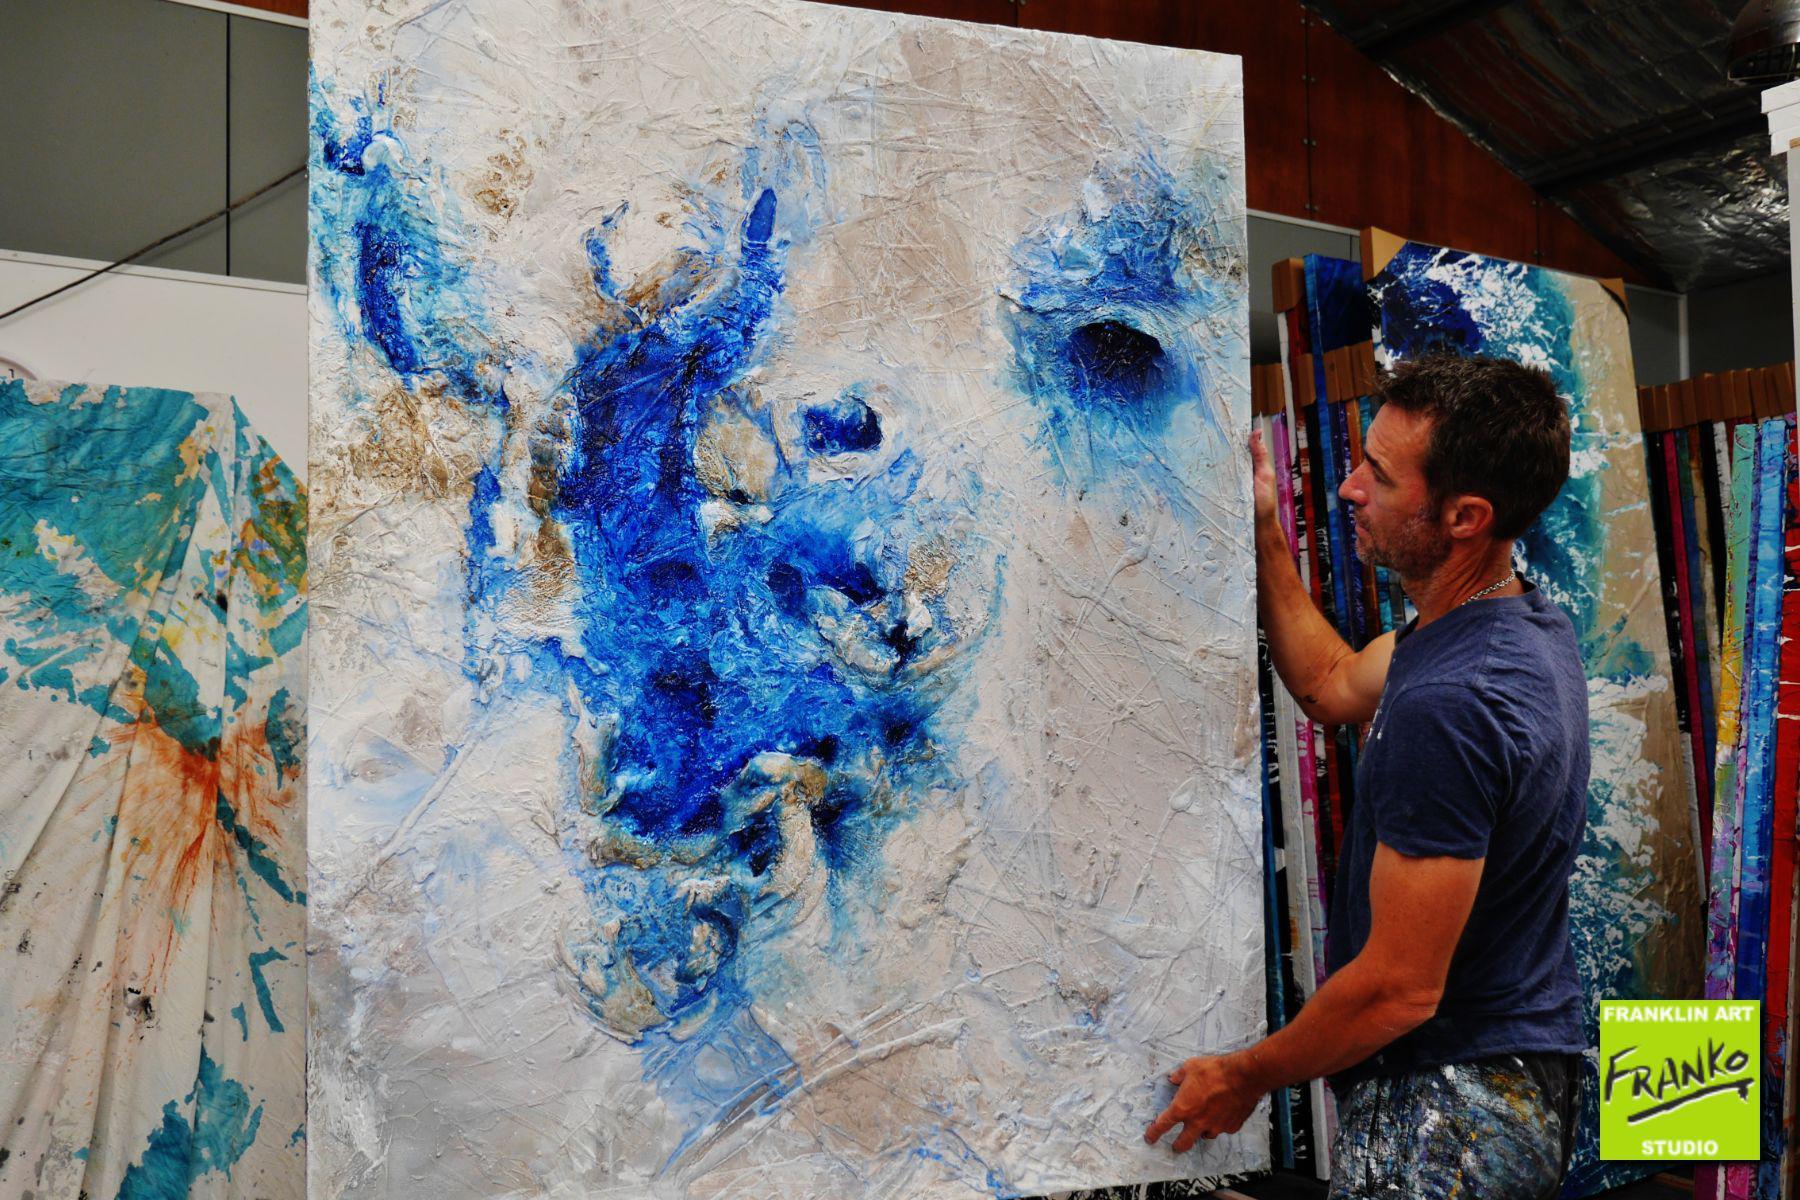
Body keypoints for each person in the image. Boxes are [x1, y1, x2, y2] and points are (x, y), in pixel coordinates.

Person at [1145, 353, 1589, 1198]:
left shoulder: (1454, 702)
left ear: (1464, 517)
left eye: (1379, 476)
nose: (1348, 488)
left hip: (1448, 1113)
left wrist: (1245, 1075)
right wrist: (1264, 530)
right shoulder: (1511, 627)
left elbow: (1398, 991)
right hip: (1503, 1074)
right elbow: (1331, 682)